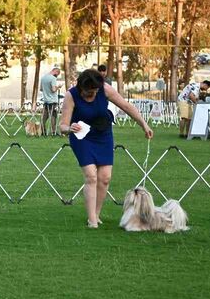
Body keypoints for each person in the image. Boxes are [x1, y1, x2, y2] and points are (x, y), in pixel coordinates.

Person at [59, 69, 153, 229]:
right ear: (81, 87)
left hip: (103, 136)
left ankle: (96, 213)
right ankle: (92, 220)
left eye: (96, 91)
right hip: (82, 137)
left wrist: (143, 124)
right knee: (91, 176)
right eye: (89, 92)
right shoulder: (71, 95)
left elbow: (126, 106)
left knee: (105, 178)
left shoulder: (105, 89)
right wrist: (69, 128)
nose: (93, 94)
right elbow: (62, 126)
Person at [40, 65, 61, 135]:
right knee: (53, 116)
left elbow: (41, 89)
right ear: (55, 71)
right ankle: (54, 132)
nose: (56, 76)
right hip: (52, 101)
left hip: (46, 101)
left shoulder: (43, 78)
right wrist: (58, 87)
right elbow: (53, 89)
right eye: (57, 74)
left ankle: (43, 131)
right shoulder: (53, 78)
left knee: (44, 117)